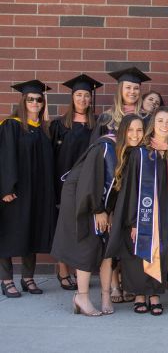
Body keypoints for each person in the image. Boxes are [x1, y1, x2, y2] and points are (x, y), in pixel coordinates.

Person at [52, 114, 144, 316]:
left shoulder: (128, 152)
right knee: (88, 244)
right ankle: (81, 296)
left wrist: (109, 212)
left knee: (106, 247)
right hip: (82, 198)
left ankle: (105, 296)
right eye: (130, 130)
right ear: (121, 131)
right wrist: (99, 210)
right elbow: (89, 181)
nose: (135, 135)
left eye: (139, 130)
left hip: (100, 202)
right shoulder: (105, 147)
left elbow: (116, 189)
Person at [107, 107, 168, 315]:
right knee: (138, 252)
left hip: (167, 212)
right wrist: (133, 221)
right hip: (142, 214)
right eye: (160, 121)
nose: (164, 125)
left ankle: (155, 293)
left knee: (163, 249)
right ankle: (140, 294)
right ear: (153, 124)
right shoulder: (141, 152)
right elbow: (131, 190)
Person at [0, 80, 56, 298]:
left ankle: (27, 277)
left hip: (38, 193)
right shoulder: (11, 125)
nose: (35, 102)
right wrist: (6, 188)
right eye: (30, 99)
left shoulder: (43, 130)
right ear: (23, 101)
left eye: (39, 99)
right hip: (15, 192)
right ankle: (6, 279)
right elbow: (5, 158)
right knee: (9, 233)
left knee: (31, 231)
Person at [50, 74, 103, 291]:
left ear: (91, 99)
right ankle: (63, 271)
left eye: (86, 95)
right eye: (78, 95)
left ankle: (81, 270)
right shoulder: (59, 125)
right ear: (72, 98)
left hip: (88, 183)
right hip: (62, 182)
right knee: (63, 227)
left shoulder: (97, 124)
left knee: (85, 226)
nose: (82, 99)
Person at [93, 67, 151, 140]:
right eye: (128, 87)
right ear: (120, 90)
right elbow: (96, 145)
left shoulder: (146, 117)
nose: (132, 91)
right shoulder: (106, 117)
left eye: (136, 88)